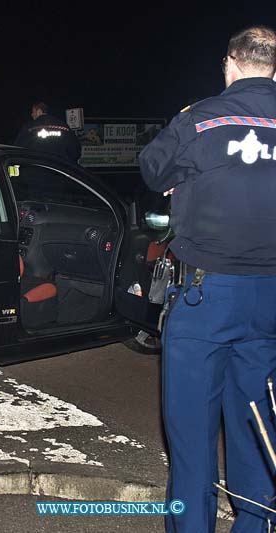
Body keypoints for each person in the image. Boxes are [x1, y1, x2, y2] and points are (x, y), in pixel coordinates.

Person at [139, 26, 276, 532]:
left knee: (193, 438)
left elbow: (152, 170)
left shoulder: (200, 120)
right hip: (272, 300)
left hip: (207, 296)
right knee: (259, 427)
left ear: (230, 64)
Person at [13, 102, 81, 162]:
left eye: (33, 112)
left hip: (36, 170)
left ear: (39, 111)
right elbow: (75, 150)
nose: (32, 114)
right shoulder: (63, 126)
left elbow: (18, 148)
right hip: (60, 170)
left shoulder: (29, 127)